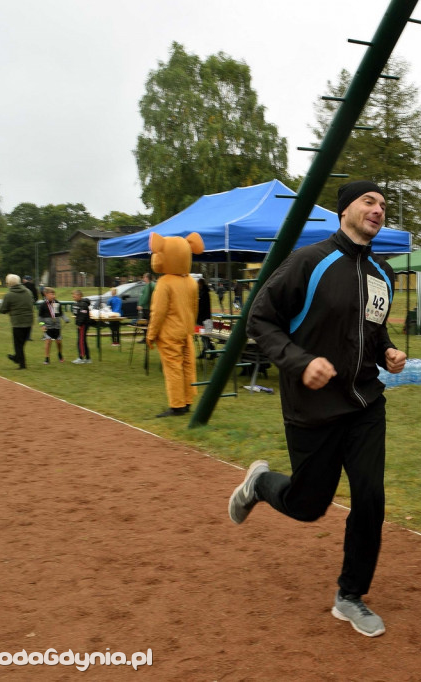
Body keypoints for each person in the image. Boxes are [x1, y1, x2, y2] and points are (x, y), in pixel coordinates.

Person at [231, 180, 407, 638]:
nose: (378, 209)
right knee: (309, 506)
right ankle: (260, 484)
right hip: (312, 408)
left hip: (365, 402)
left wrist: (387, 351)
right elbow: (260, 319)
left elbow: (373, 328)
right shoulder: (309, 261)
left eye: (383, 204)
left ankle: (350, 596)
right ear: (345, 209)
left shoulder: (384, 273)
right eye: (369, 201)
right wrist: (300, 362)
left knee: (370, 497)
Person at [146, 233, 204, 418]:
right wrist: (190, 328)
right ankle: (187, 401)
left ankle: (176, 405)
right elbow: (194, 308)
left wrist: (151, 334)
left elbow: (158, 313)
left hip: (169, 333)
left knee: (173, 368)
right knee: (188, 367)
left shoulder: (164, 283)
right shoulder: (191, 282)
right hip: (186, 331)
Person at [0, 274, 35, 370]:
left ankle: (21, 363)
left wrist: (0, 305)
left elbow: (3, 310)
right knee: (21, 343)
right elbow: (31, 303)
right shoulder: (28, 292)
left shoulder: (9, 295)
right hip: (29, 321)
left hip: (18, 322)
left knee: (18, 344)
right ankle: (17, 358)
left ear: (9, 283)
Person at [37, 287, 65, 364]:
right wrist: (42, 325)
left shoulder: (56, 303)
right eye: (51, 294)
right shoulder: (43, 305)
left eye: (54, 294)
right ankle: (47, 358)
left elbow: (59, 313)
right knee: (48, 342)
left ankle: (60, 354)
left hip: (56, 326)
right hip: (48, 326)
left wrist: (65, 318)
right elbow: (40, 318)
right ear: (46, 294)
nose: (53, 296)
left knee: (58, 342)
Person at [70, 289, 91, 364]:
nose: (73, 296)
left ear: (80, 295)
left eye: (75, 295)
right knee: (83, 340)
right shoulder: (77, 304)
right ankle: (88, 358)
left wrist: (79, 324)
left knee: (81, 341)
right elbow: (76, 314)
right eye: (73, 295)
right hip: (80, 324)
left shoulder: (83, 305)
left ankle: (81, 357)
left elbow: (82, 315)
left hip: (83, 325)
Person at [196, 277, 215, 358]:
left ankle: (209, 352)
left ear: (200, 284)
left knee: (205, 337)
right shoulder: (204, 292)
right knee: (205, 337)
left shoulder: (203, 294)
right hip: (206, 318)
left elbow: (202, 307)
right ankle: (209, 352)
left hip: (204, 318)